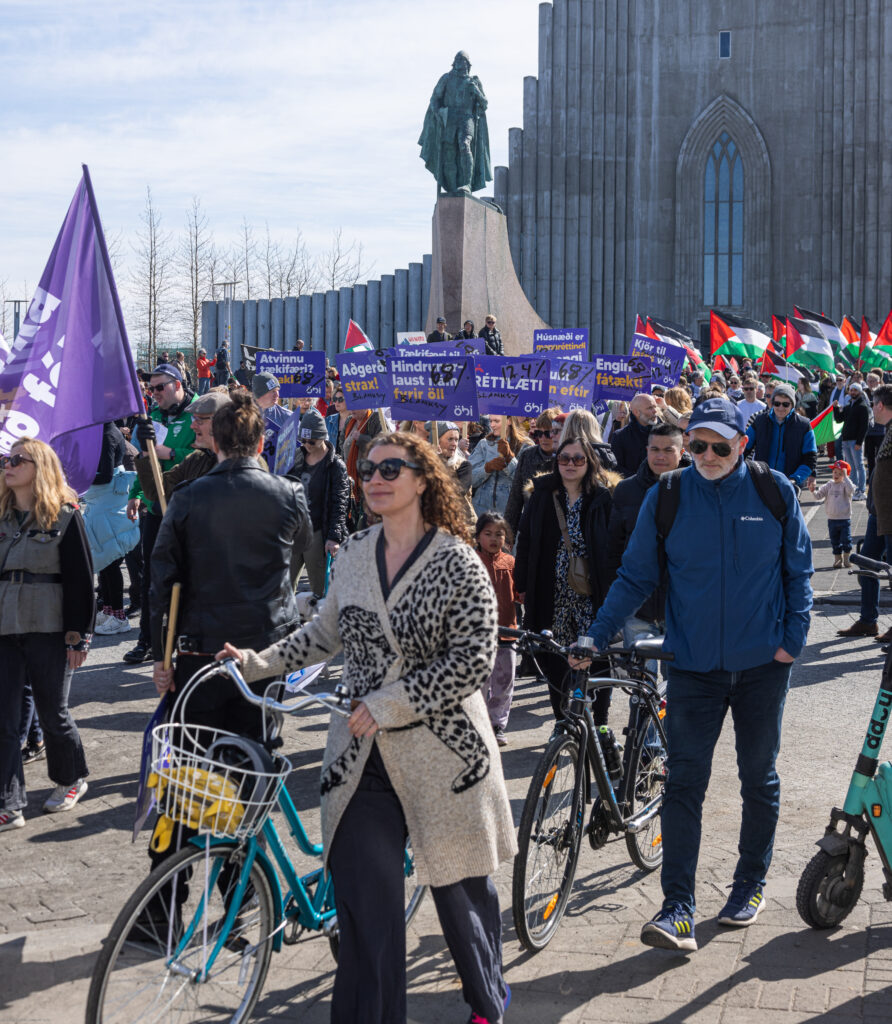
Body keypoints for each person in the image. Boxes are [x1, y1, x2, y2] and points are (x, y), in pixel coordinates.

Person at [217, 431, 516, 1024]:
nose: (375, 478)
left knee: (462, 900)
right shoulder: (351, 552)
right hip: (360, 757)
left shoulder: (458, 562)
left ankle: (487, 1001)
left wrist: (391, 701)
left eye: (390, 469)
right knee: (365, 916)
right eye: (368, 468)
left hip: (446, 757)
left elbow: (473, 659)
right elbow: (325, 633)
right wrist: (258, 662)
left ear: (424, 479)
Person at [578, 398, 813, 950]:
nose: (706, 454)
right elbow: (634, 577)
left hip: (762, 667)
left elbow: (799, 572)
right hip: (692, 669)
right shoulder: (669, 495)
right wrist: (597, 631)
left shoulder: (773, 491)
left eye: (719, 445)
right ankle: (676, 908)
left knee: (758, 778)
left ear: (741, 446)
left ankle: (748, 886)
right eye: (698, 444)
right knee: (684, 783)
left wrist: (791, 643)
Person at [145, 393, 312, 883]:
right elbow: (299, 548)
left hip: (201, 656)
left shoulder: (189, 497)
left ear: (214, 441)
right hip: (263, 656)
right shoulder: (288, 493)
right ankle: (240, 895)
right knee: (250, 774)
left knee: (184, 781)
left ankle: (163, 905)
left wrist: (162, 656)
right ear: (262, 441)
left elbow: (161, 585)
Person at [0, 439, 95, 832]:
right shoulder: (2, 517)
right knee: (3, 719)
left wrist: (79, 636)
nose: (8, 465)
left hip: (50, 629)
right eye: (6, 459)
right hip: (5, 627)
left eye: (17, 460)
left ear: (39, 467)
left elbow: (80, 580)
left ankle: (71, 778)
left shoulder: (66, 516)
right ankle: (9, 802)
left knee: (53, 713)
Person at [514, 437, 620, 722]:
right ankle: (563, 723)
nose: (570, 464)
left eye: (578, 459)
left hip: (591, 593)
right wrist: (521, 583)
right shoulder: (542, 494)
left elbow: (614, 546)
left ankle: (599, 725)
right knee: (555, 659)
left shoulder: (603, 496)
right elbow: (525, 539)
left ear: (590, 463)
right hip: (552, 592)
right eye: (565, 459)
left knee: (595, 658)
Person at [606, 423, 685, 657]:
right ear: (646, 450)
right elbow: (614, 548)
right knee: (640, 687)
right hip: (637, 608)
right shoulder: (626, 490)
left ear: (681, 453)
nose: (660, 456)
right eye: (655, 449)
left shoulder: (699, 489)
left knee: (680, 688)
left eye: (668, 450)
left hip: (682, 609)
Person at [838, 385, 892, 640]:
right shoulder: (888, 431)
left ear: (880, 406)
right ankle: (868, 620)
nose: (872, 408)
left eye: (873, 404)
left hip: (890, 516)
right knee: (866, 564)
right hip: (878, 514)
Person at [82, 422, 139, 636]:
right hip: (105, 503)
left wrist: (78, 478)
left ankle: (118, 616)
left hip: (107, 504)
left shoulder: (106, 434)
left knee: (110, 563)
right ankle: (109, 611)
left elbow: (105, 474)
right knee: (105, 563)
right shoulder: (107, 431)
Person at [285, 407, 349, 596]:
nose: (306, 445)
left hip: (318, 532)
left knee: (320, 591)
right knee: (284, 588)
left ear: (323, 437)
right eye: (303, 441)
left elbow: (340, 503)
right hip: (294, 531)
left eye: (311, 441)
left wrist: (334, 537)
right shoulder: (297, 456)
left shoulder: (335, 465)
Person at [475, 512, 520, 746]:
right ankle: (479, 723)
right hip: (477, 636)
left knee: (504, 681)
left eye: (499, 534)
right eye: (488, 534)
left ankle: (497, 725)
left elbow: (520, 594)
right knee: (479, 683)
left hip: (507, 633)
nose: (493, 539)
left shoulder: (511, 563)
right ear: (478, 536)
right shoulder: (470, 561)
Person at [745, 382, 817, 492]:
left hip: (789, 485)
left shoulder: (804, 425)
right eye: (777, 403)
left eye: (785, 404)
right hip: (762, 482)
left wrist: (795, 479)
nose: (780, 407)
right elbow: (743, 448)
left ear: (792, 405)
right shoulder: (759, 421)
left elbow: (810, 458)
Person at [504, 409, 562, 535]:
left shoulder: (566, 458)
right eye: (539, 434)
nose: (543, 438)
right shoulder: (527, 455)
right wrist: (508, 534)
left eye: (548, 433)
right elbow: (515, 497)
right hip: (530, 527)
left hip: (558, 529)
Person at [469, 414, 529, 517]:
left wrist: (510, 459)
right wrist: (487, 468)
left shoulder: (525, 446)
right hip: (481, 512)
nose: (492, 425)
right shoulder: (483, 444)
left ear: (509, 421)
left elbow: (527, 483)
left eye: (496, 421)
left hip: (510, 513)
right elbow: (470, 480)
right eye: (490, 421)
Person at [812, 460, 855, 568]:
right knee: (834, 540)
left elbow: (852, 490)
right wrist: (813, 490)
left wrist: (846, 477)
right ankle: (838, 559)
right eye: (835, 472)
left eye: (840, 473)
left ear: (845, 475)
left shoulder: (845, 485)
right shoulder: (829, 484)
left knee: (846, 540)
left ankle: (846, 558)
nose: (836, 475)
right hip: (832, 519)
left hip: (844, 519)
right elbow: (818, 496)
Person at [833, 382, 871, 499]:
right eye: (851, 390)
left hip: (855, 441)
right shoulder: (848, 406)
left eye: (855, 390)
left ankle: (861, 490)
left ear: (859, 392)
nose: (853, 392)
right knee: (851, 466)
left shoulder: (863, 406)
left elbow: (864, 426)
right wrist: (835, 408)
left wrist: (859, 442)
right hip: (846, 439)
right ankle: (854, 489)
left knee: (859, 465)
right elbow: (839, 419)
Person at [610, 392, 660, 477]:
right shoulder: (620, 436)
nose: (655, 411)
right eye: (650, 408)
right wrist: (640, 480)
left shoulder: (666, 433)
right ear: (636, 412)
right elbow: (616, 468)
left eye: (655, 407)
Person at [252, 371, 291, 469]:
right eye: (272, 391)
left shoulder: (287, 417)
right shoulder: (243, 415)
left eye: (277, 390)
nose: (277, 394)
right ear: (260, 394)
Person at [325, 386, 350, 456]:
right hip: (332, 462)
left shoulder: (356, 420)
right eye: (335, 399)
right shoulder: (328, 420)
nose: (336, 402)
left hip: (348, 461)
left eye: (340, 399)